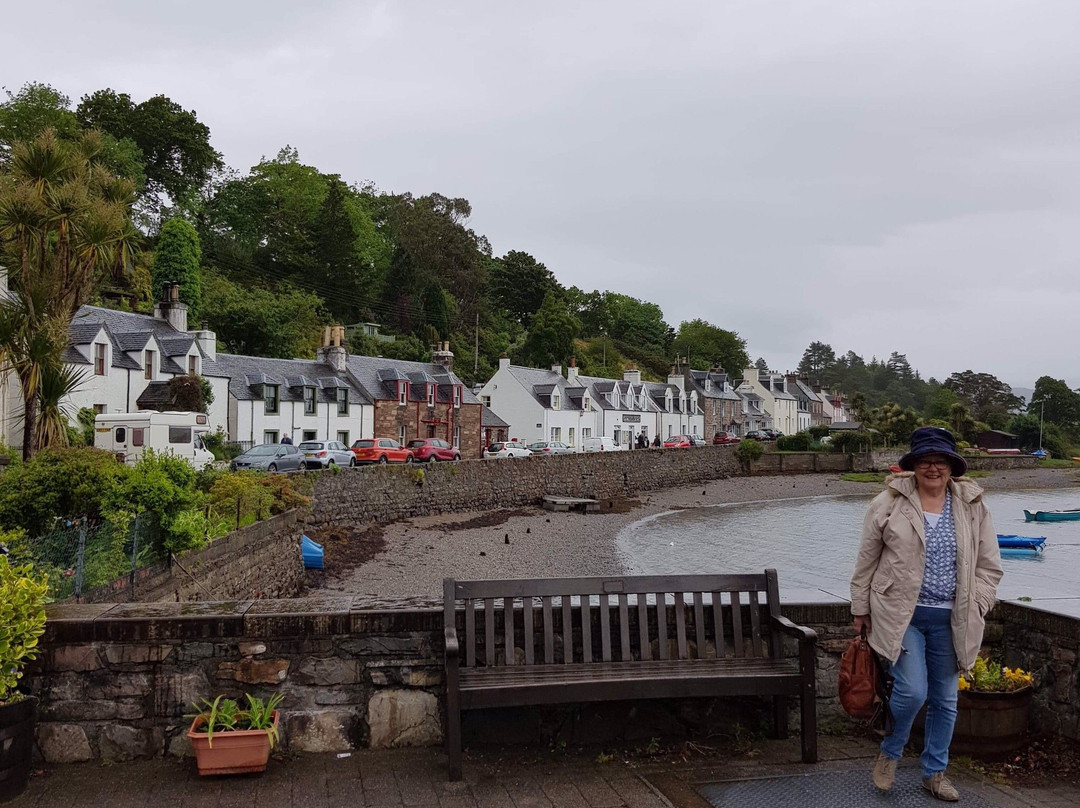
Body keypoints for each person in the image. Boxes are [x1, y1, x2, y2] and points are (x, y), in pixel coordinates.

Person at [851, 427, 1001, 802]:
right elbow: (866, 561)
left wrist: (978, 602)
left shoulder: (973, 505)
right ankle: (890, 752)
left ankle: (934, 773)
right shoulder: (886, 503)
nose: (933, 467)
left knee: (946, 700)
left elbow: (989, 566)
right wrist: (860, 608)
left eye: (940, 461)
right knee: (913, 691)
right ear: (913, 465)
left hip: (952, 618)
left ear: (952, 466)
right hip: (900, 615)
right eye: (925, 460)